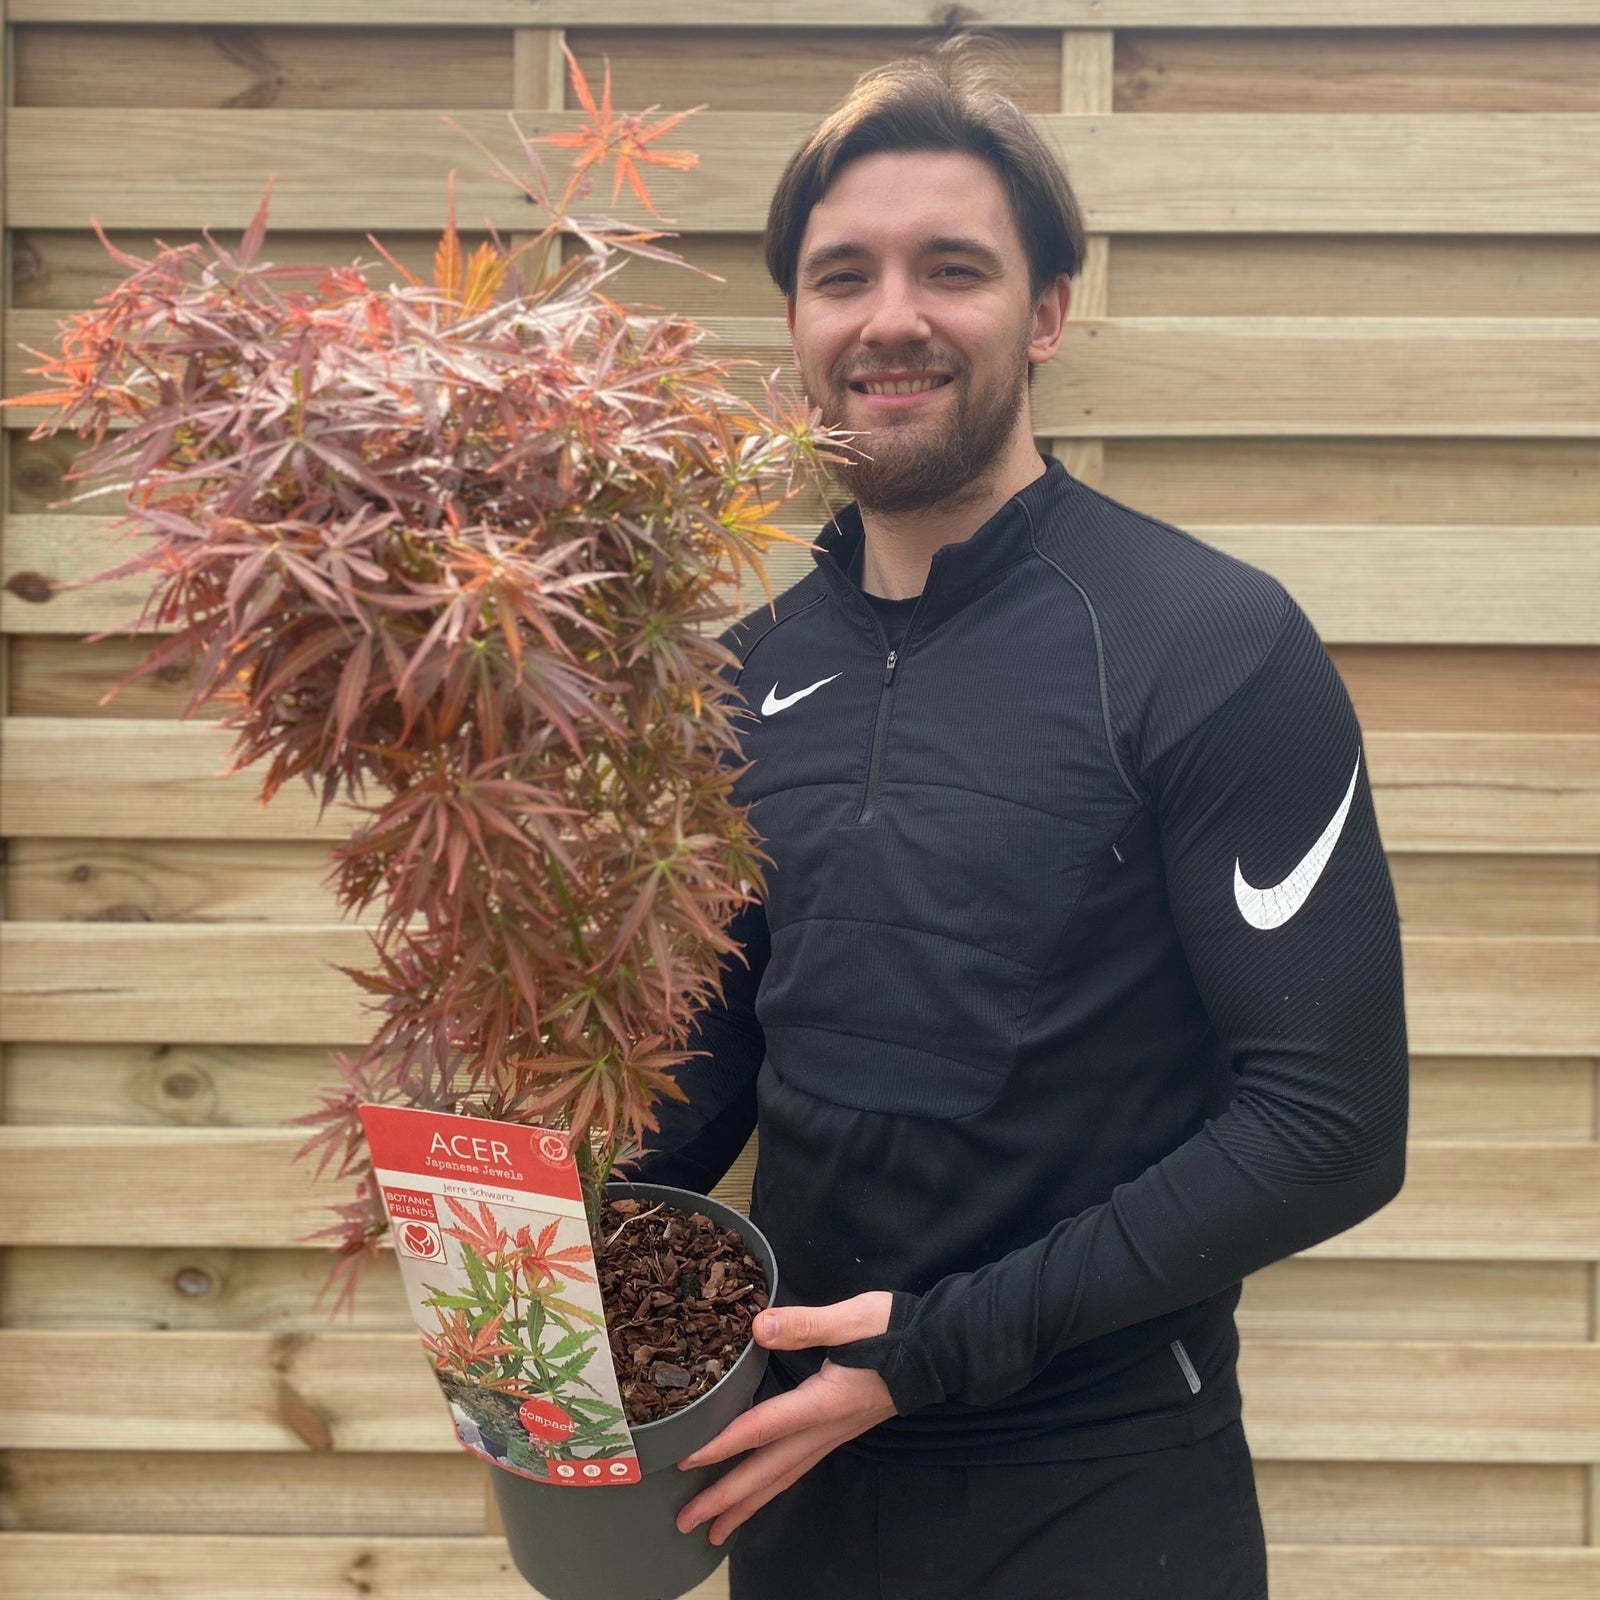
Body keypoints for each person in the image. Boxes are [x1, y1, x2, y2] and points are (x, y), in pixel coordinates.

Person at [635, 43, 1409, 1600]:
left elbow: (1329, 1130)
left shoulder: (1206, 644)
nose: (891, 316)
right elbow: (702, 1073)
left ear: (1046, 313)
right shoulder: (739, 678)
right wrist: (509, 1250)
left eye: (953, 269)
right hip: (800, 1486)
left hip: (1107, 1492)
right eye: (843, 275)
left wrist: (935, 1349)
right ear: (796, 326)